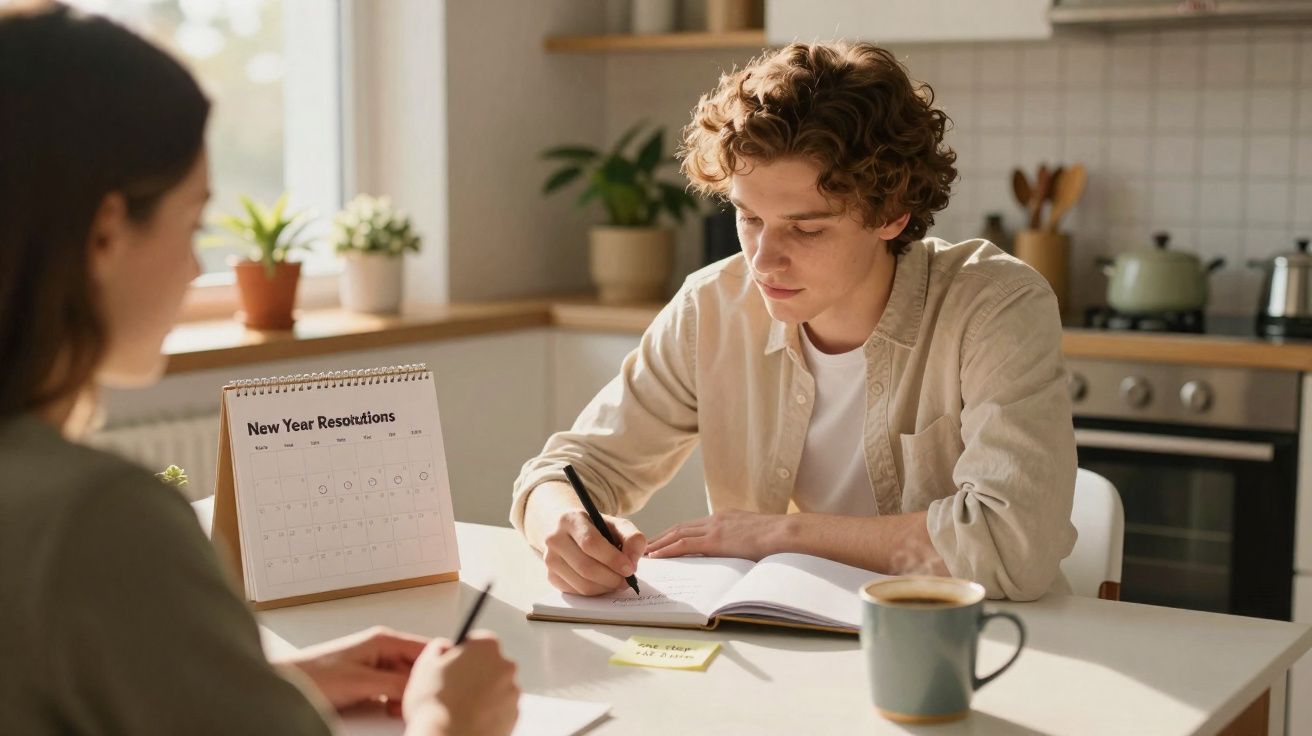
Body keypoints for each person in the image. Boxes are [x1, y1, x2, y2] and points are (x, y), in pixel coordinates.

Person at [0, 4, 518, 735]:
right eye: (193, 224)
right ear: (105, 233)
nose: (195, 268)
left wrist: (261, 685)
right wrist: (449, 718)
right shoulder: (98, 518)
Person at [512, 41, 1077, 602]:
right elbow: (567, 470)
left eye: (806, 229)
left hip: (978, 640)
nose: (762, 261)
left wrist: (778, 535)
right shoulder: (711, 308)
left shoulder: (995, 308)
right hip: (775, 640)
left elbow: (1013, 543)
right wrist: (562, 522)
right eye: (749, 217)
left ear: (892, 214)